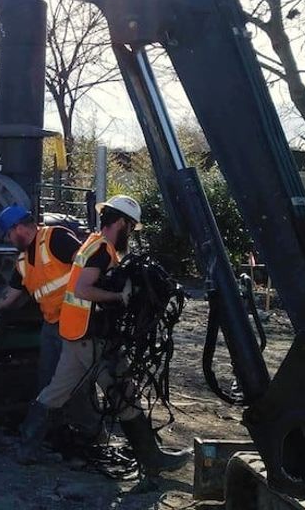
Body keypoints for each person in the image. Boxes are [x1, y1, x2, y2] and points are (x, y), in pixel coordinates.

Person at [17, 195, 191, 474]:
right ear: (120, 222)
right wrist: (118, 296)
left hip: (75, 333)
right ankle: (152, 459)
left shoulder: (93, 244)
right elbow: (83, 290)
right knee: (123, 393)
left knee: (55, 392)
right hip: (92, 337)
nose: (131, 233)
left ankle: (26, 447)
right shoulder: (100, 250)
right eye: (131, 227)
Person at [0, 205, 105, 446]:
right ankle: (54, 432)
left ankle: (92, 434)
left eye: (9, 235)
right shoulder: (23, 262)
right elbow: (9, 296)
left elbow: (87, 264)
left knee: (77, 384)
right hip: (52, 326)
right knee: (47, 381)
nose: (10, 241)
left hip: (76, 325)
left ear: (18, 228)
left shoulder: (55, 238)